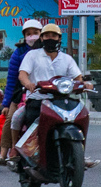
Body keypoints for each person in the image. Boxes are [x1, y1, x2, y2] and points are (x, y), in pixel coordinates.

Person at [10, 23, 84, 158]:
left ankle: (79, 155)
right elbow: (22, 74)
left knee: (79, 119)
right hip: (37, 100)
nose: (51, 38)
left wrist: (85, 84)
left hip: (61, 100)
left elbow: (78, 77)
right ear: (42, 38)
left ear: (59, 39)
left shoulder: (66, 58)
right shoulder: (32, 55)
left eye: (54, 36)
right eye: (47, 36)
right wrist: (28, 84)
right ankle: (15, 149)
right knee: (16, 118)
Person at [0, 17, 44, 111]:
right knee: (11, 121)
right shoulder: (19, 53)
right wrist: (6, 104)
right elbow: (12, 80)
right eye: (28, 34)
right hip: (22, 95)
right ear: (24, 37)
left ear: (41, 35)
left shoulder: (48, 51)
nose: (32, 37)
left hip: (46, 96)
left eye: (35, 33)